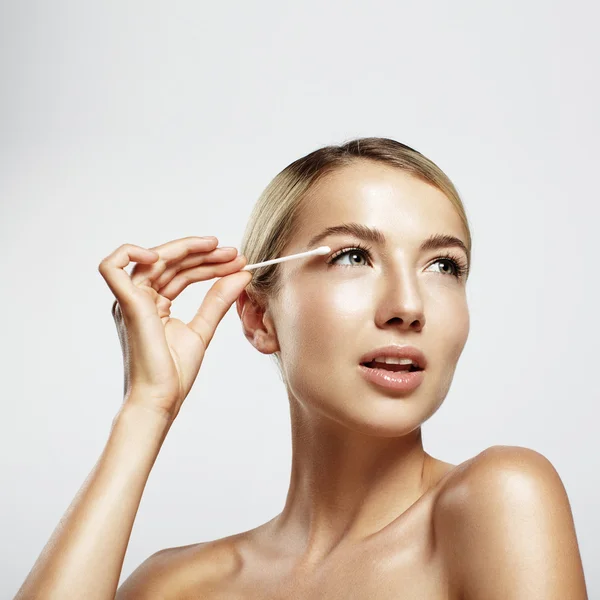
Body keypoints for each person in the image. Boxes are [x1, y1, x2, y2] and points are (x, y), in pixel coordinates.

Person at [15, 138, 588, 599]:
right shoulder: (178, 586)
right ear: (260, 316)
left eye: (444, 265)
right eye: (353, 257)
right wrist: (146, 407)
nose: (409, 307)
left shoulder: (500, 499)